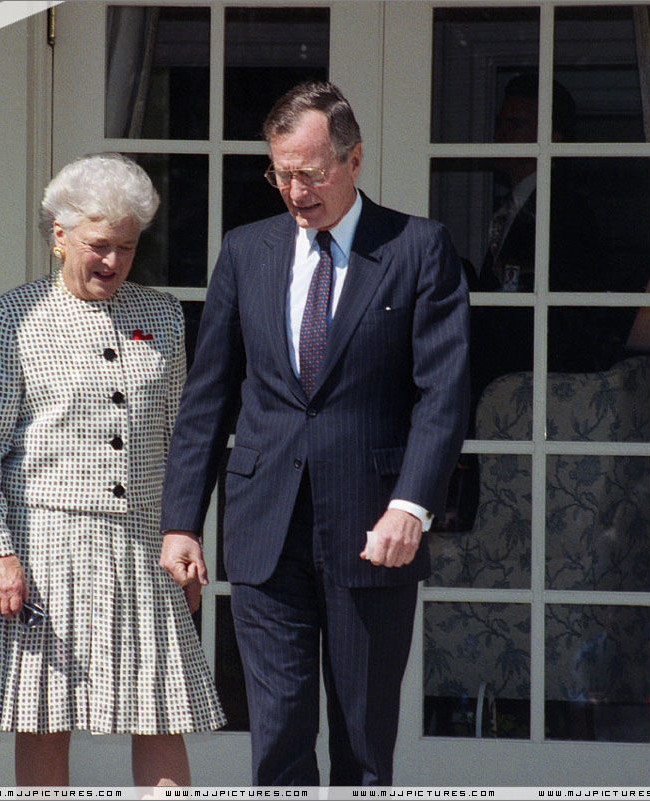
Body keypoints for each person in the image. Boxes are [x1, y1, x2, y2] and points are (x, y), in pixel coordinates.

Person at [159, 82, 470, 785]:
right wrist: (181, 521)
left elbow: (443, 394)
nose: (296, 192)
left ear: (353, 160)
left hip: (373, 529)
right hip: (265, 529)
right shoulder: (247, 250)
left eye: (312, 173)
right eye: (282, 175)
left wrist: (411, 505)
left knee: (363, 745)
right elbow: (208, 397)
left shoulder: (417, 248)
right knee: (278, 738)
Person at [0, 153, 225, 786]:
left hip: (142, 541)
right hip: (43, 547)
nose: (113, 261)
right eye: (100, 245)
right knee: (43, 715)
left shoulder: (162, 315)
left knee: (161, 710)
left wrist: (184, 532)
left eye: (127, 247)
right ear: (60, 235)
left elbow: (181, 438)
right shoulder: (12, 316)